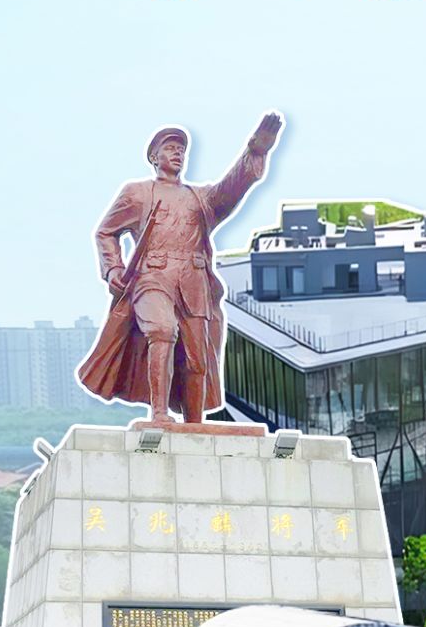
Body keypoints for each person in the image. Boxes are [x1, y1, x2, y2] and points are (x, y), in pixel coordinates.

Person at [77, 112, 282, 430]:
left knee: (198, 357)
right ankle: (159, 413)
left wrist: (255, 151)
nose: (178, 154)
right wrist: (113, 268)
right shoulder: (136, 192)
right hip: (153, 277)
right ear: (154, 156)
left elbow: (231, 189)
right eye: (170, 148)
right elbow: (106, 232)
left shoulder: (200, 198)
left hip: (193, 281)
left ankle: (194, 422)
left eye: (181, 150)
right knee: (161, 330)